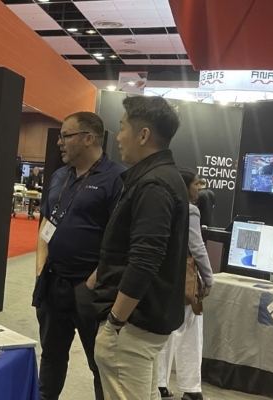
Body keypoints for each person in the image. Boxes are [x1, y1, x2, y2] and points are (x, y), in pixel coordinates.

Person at [87, 96, 189, 399]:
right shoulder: (162, 177)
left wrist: (115, 322)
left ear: (143, 135)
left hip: (132, 325)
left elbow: (145, 260)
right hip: (142, 323)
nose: (118, 137)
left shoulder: (153, 184)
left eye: (122, 128)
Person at [32, 112, 125, 400]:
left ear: (89, 138)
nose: (59, 142)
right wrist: (40, 268)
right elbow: (46, 222)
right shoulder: (60, 176)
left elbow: (119, 239)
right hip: (53, 282)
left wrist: (93, 282)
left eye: (66, 136)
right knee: (51, 356)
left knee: (100, 364)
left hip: (90, 288)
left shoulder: (116, 178)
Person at [157, 168, 214, 400]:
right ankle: (191, 388)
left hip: (161, 276)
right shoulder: (190, 210)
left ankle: (159, 384)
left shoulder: (162, 204)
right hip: (184, 278)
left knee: (164, 331)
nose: (199, 188)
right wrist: (209, 278)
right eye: (196, 184)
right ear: (185, 185)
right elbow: (197, 247)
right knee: (190, 330)